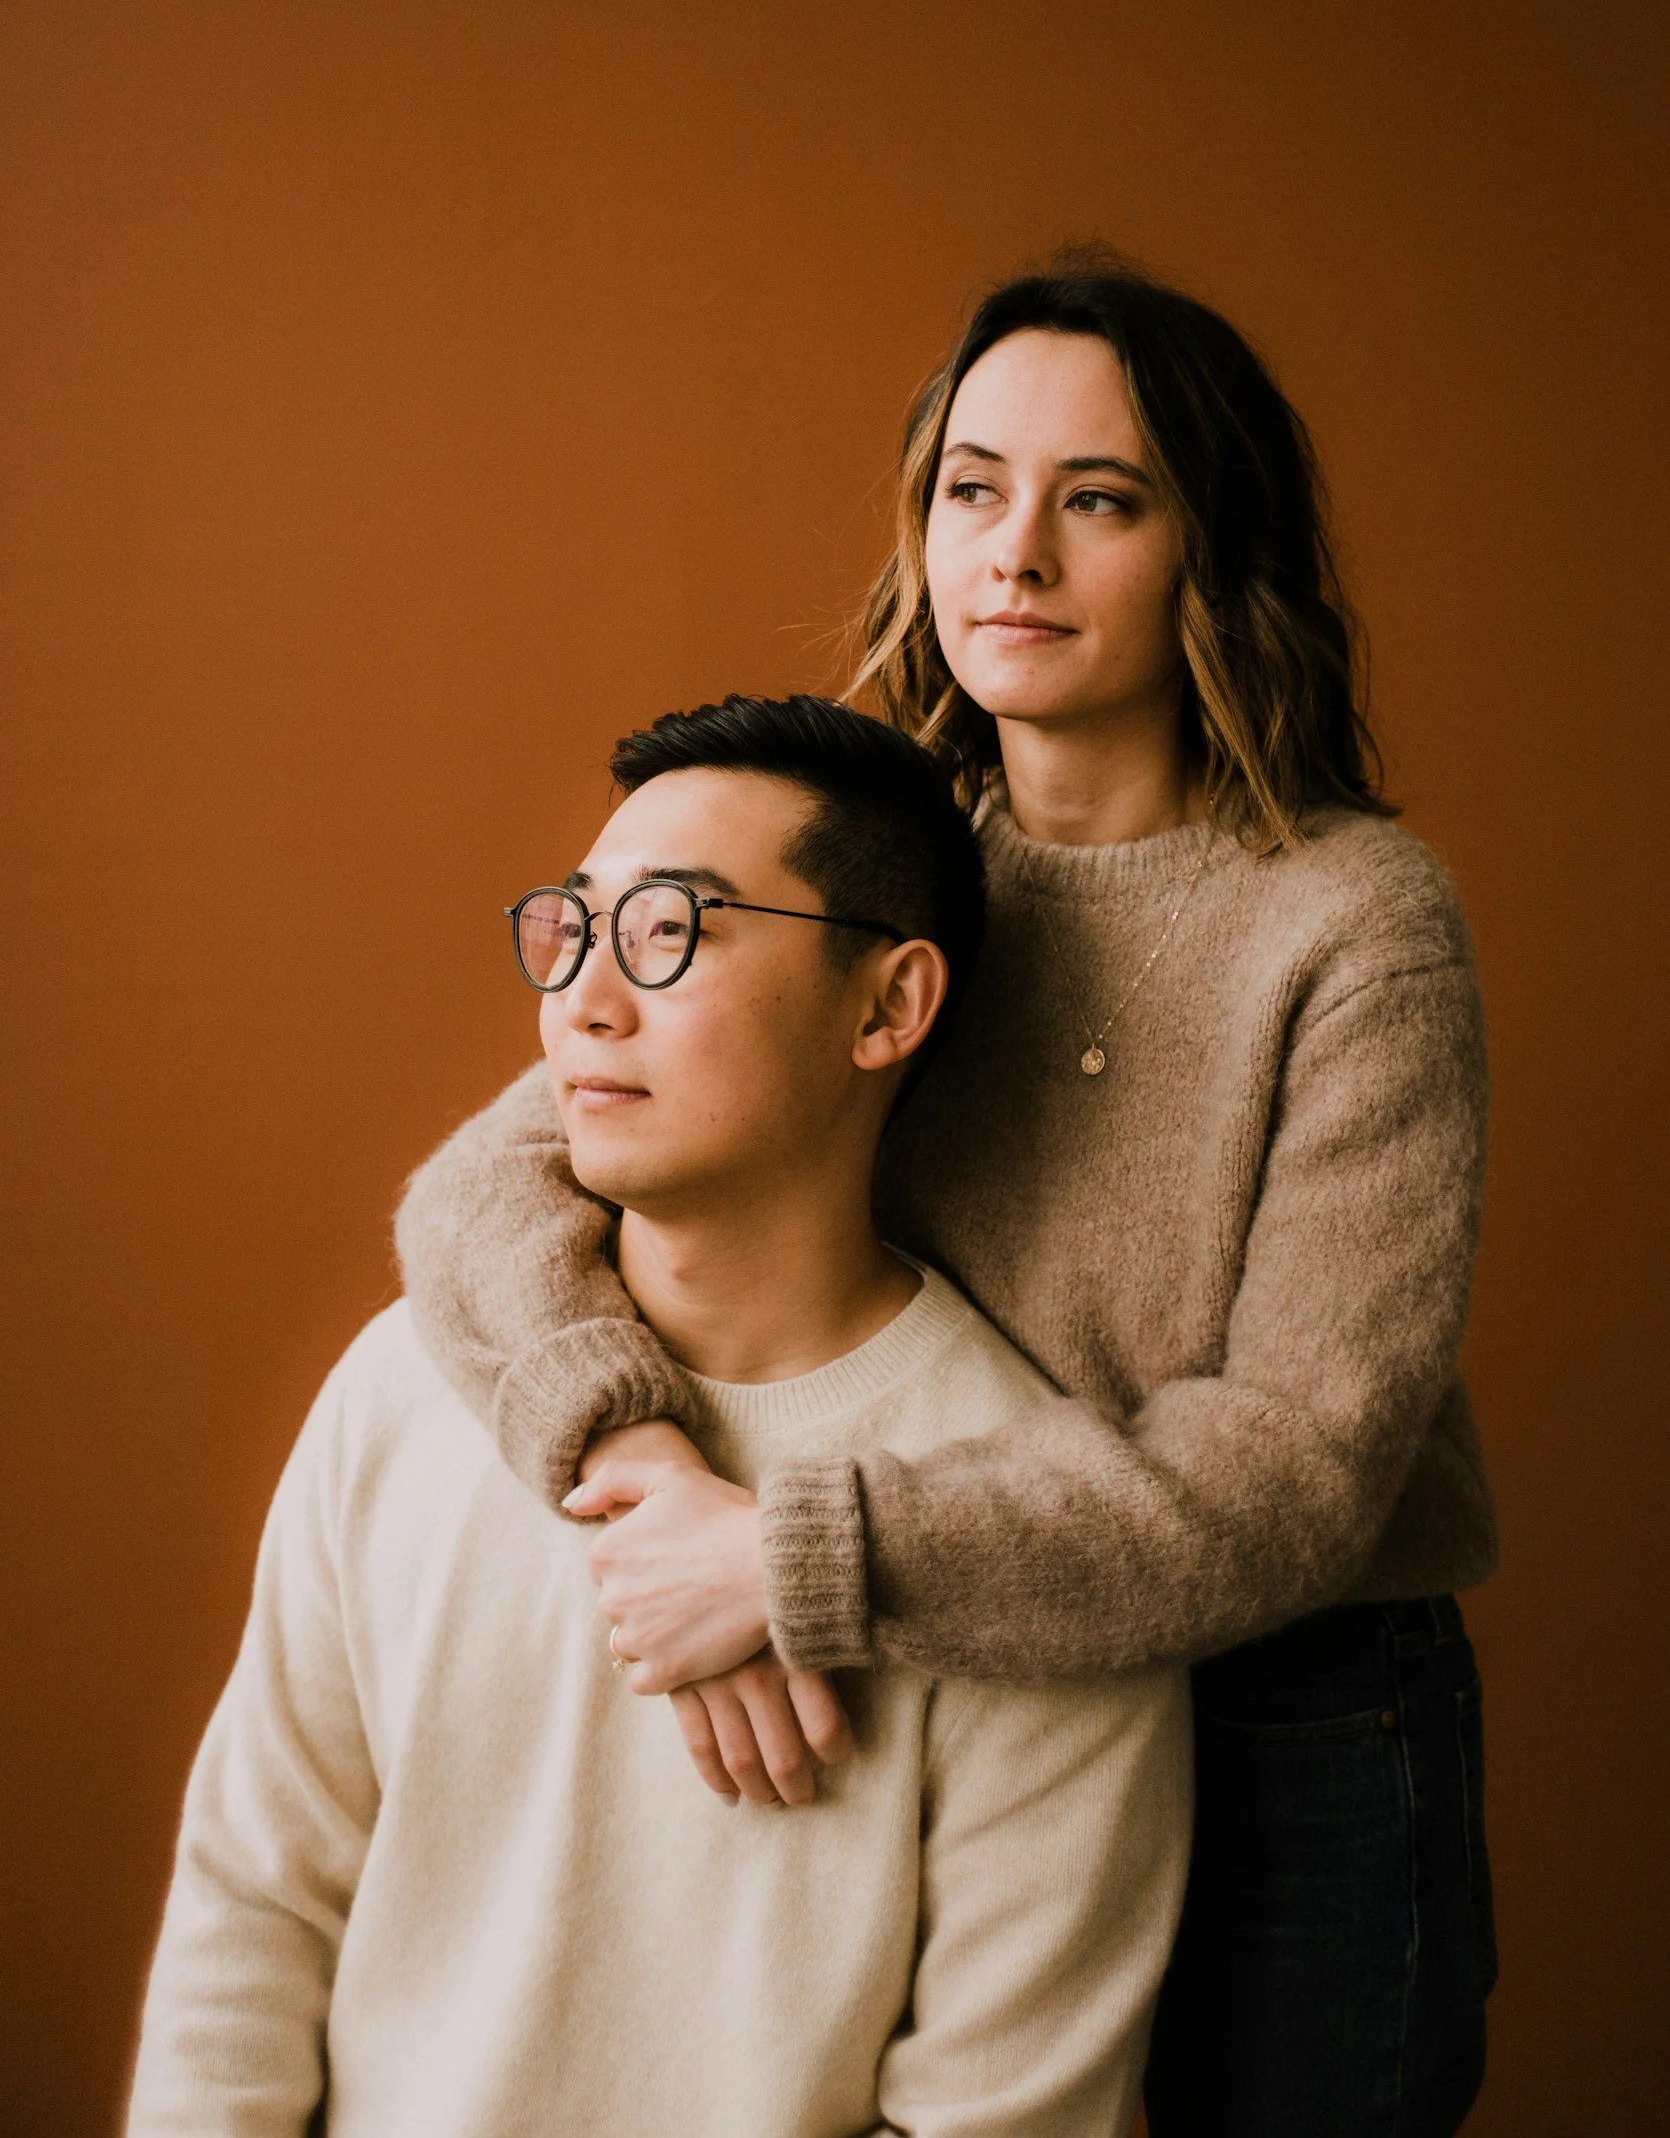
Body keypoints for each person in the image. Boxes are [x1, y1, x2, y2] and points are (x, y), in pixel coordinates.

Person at [394, 251, 1501, 2138]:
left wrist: (791, 1558)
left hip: (1283, 1727)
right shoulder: (882, 862)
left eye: (1100, 500)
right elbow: (480, 1190)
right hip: (932, 1683)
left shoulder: (1352, 925)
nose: (1015, 555)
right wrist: (646, 1464)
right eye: (972, 488)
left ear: (1206, 548)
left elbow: (1299, 1467)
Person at [125, 695, 1192, 2138]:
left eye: (671, 933)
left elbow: (1009, 2107)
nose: (584, 1001)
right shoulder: (402, 1394)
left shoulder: (1015, 1526)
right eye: (572, 930)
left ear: (887, 1006)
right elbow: (249, 1910)